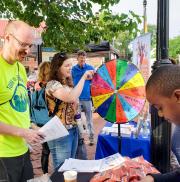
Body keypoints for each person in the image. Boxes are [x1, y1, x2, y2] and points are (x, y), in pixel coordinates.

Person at [0, 20, 44, 182]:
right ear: (8, 38)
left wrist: (31, 127)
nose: (27, 50)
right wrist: (24, 132)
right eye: (23, 44)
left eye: (30, 45)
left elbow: (19, 107)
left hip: (22, 150)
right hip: (3, 155)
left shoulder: (19, 67)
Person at [45, 52, 94, 169]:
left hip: (72, 129)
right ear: (57, 67)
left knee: (69, 166)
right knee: (62, 169)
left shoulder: (67, 83)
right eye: (66, 65)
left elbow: (73, 103)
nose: (70, 68)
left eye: (70, 65)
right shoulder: (52, 84)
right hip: (60, 133)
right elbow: (70, 97)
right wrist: (83, 77)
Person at [139, 65, 180, 182]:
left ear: (177, 96)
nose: (160, 114)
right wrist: (154, 179)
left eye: (160, 107)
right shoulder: (177, 134)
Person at [72, 50, 95, 145]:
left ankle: (91, 138)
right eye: (80, 57)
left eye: (84, 57)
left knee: (89, 120)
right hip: (76, 98)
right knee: (77, 119)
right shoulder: (73, 69)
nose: (82, 59)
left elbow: (96, 81)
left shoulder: (90, 68)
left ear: (86, 58)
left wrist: (92, 78)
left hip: (87, 98)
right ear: (77, 58)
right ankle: (80, 138)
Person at [32, 61, 51, 174]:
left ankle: (45, 174)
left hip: (40, 122)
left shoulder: (37, 85)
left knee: (45, 150)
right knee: (51, 149)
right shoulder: (50, 86)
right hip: (50, 121)